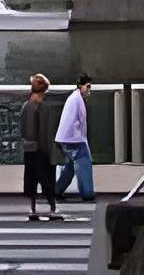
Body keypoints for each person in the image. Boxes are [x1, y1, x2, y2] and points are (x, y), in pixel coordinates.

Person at [19, 73, 62, 222]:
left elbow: (22, 129)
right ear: (45, 90)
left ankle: (33, 208)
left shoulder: (26, 106)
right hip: (43, 150)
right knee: (48, 180)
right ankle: (52, 209)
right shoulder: (44, 108)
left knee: (31, 179)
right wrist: (52, 151)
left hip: (29, 148)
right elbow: (47, 131)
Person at [55, 74, 95, 202]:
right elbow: (81, 124)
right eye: (87, 86)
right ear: (80, 86)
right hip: (74, 139)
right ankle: (87, 192)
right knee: (84, 163)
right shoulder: (77, 100)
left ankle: (57, 190)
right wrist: (84, 142)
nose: (89, 89)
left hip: (65, 138)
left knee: (70, 166)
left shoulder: (73, 98)